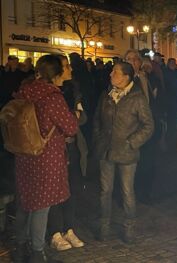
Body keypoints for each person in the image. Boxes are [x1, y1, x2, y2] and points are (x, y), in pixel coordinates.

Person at [13, 55, 78, 263]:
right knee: (42, 205)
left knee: (26, 201)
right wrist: (75, 114)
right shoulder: (52, 98)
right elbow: (70, 127)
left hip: (24, 155)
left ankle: (20, 246)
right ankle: (37, 252)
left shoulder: (25, 91)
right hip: (46, 157)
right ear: (56, 74)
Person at [93, 62, 154, 243]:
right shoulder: (106, 95)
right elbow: (97, 120)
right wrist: (98, 139)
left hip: (126, 153)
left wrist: (132, 142)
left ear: (126, 77)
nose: (111, 74)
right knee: (105, 191)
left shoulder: (137, 98)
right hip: (106, 151)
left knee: (127, 191)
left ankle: (129, 228)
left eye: (115, 72)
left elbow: (148, 125)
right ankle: (104, 227)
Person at [47, 55, 87, 251]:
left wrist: (75, 116)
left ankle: (68, 228)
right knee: (54, 190)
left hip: (71, 145)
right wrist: (73, 117)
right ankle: (54, 231)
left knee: (72, 187)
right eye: (65, 66)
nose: (69, 69)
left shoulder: (73, 89)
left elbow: (81, 118)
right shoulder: (48, 93)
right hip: (53, 148)